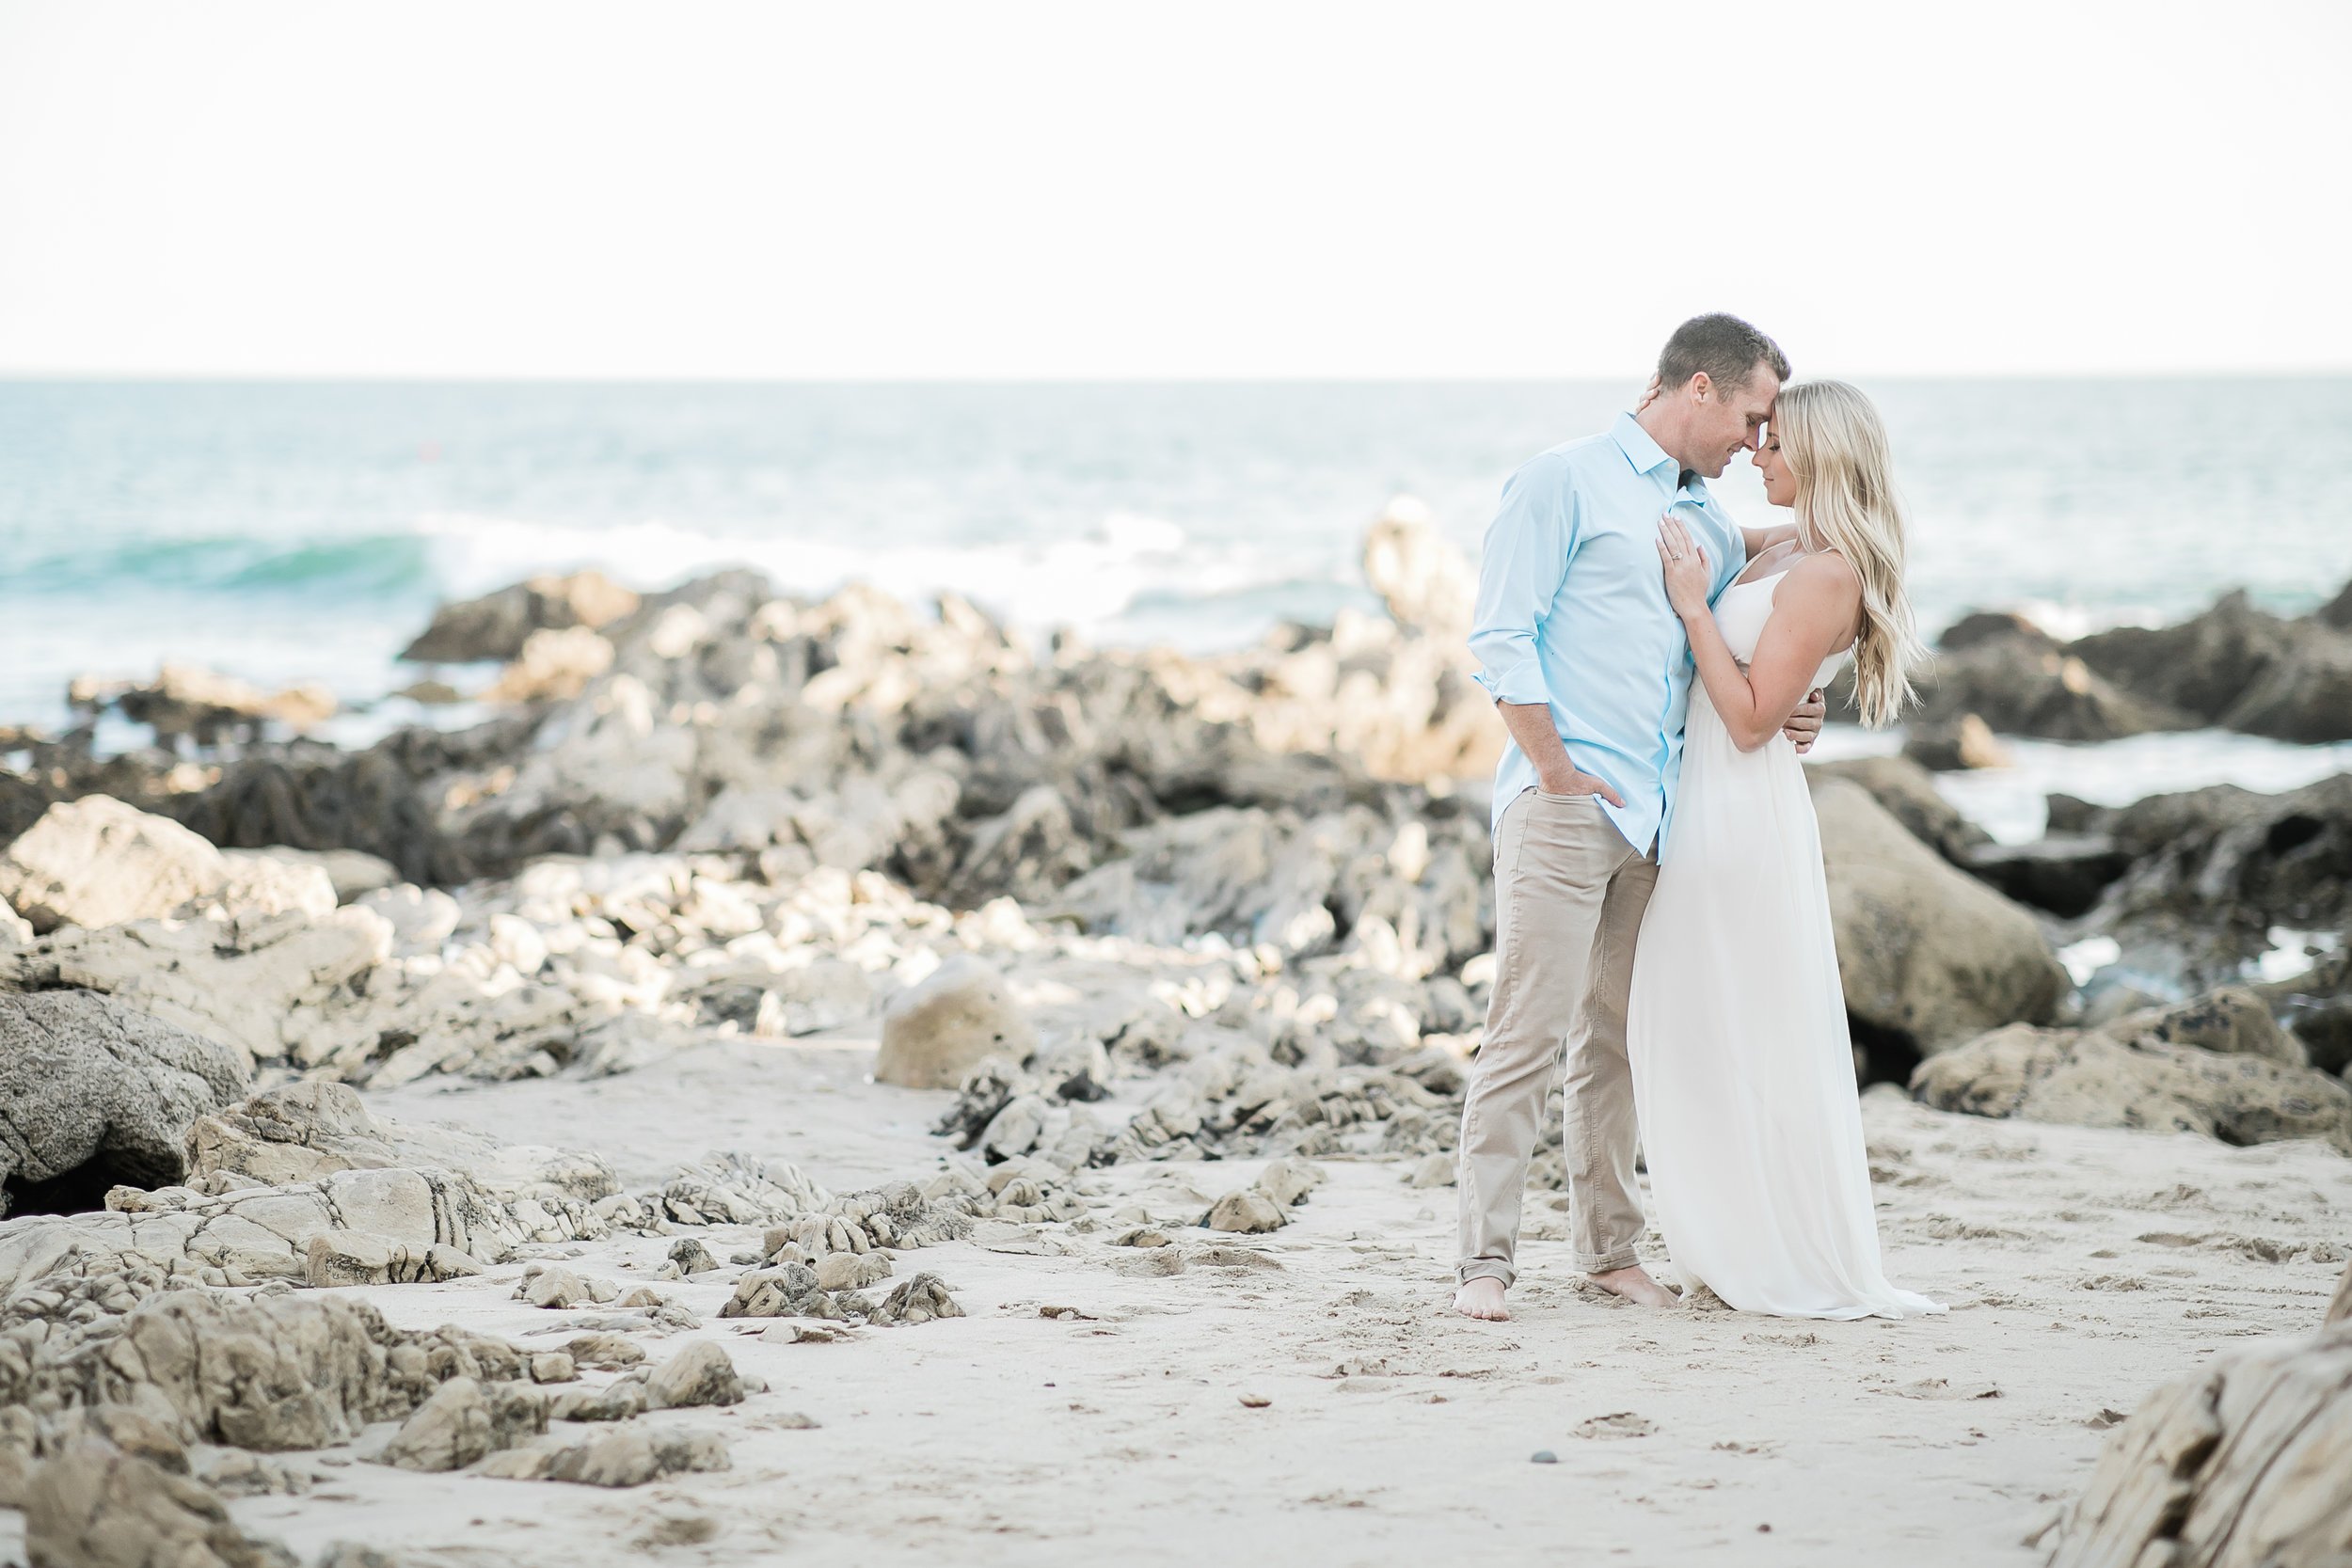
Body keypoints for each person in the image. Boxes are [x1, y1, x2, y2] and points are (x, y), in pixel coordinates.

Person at [1452, 313, 1825, 1322]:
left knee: (1614, 1039)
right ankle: (1483, 1263)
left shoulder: (1702, 517)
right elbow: (1499, 635)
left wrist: (1795, 691)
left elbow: (1766, 591)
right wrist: (1554, 768)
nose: (1755, 445)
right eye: (1750, 418)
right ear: (1696, 386)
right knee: (1525, 1033)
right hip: (1568, 805)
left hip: (1663, 818)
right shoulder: (1559, 479)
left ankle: (1608, 1251)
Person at [1628, 378, 1943, 1319]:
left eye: (1770, 442)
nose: (1754, 455)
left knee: (1730, 1025)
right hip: (1706, 802)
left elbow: (1755, 716)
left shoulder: (1829, 570)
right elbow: (1749, 627)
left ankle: (1763, 1246)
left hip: (1738, 813)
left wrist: (1692, 608)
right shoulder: (1789, 546)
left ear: (1817, 453)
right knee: (1696, 1023)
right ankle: (1727, 1233)